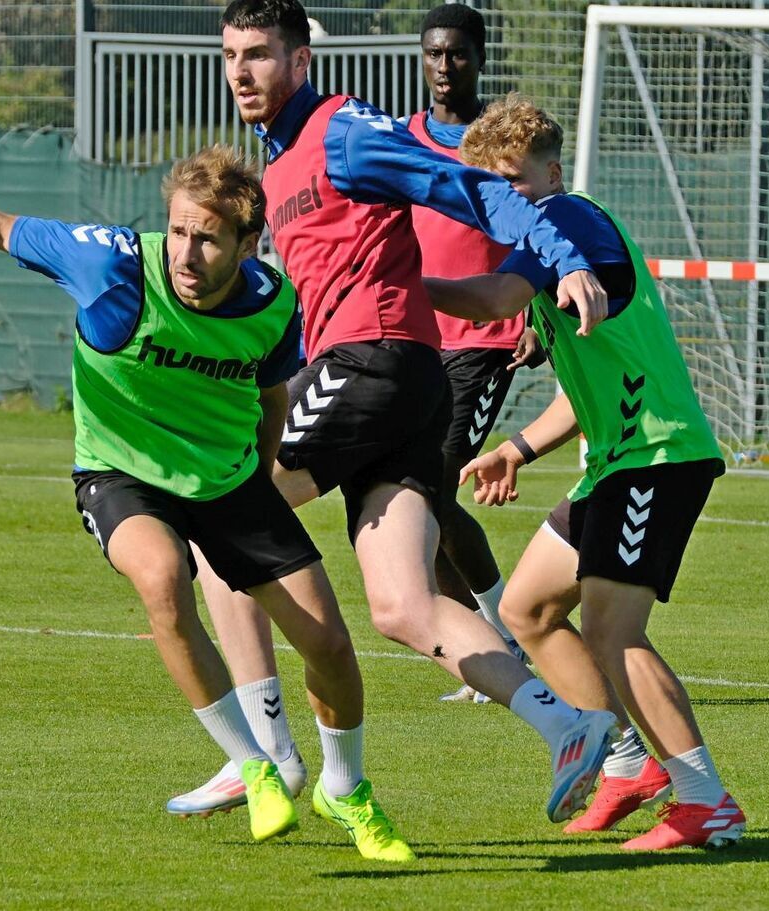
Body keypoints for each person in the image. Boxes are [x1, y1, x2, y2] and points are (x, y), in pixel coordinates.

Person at [0, 146, 414, 862]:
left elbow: (270, 397)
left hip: (228, 479)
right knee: (165, 579)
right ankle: (255, 765)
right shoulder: (110, 265)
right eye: (177, 231)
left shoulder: (273, 302)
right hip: (119, 473)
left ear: (246, 243)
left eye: (206, 237)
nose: (186, 253)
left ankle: (346, 788)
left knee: (328, 643)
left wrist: (258, 489)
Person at [173, 0, 620, 835]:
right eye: (231, 54)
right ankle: (569, 725)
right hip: (401, 386)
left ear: (301, 61)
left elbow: (455, 183)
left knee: (213, 524)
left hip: (376, 365)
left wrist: (558, 254)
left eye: (260, 54)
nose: (241, 70)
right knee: (403, 604)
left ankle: (261, 759)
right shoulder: (274, 172)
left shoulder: (342, 131)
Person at [438, 94, 746, 850]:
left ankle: (707, 800)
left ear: (551, 172)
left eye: (515, 180)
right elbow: (589, 392)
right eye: (489, 186)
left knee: (614, 627)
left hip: (657, 455)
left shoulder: (567, 221)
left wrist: (383, 293)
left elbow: (491, 300)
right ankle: (626, 765)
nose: (502, 198)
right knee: (531, 608)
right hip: (614, 463)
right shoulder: (546, 250)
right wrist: (517, 448)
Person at [410, 3, 537, 703]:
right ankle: (489, 653)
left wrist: (536, 312)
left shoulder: (501, 144)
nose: (443, 66)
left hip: (484, 342)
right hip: (417, 341)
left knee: (432, 489)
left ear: (480, 57)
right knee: (415, 504)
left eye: (456, 53)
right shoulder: (404, 138)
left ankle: (506, 644)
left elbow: (547, 220)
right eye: (433, 53)